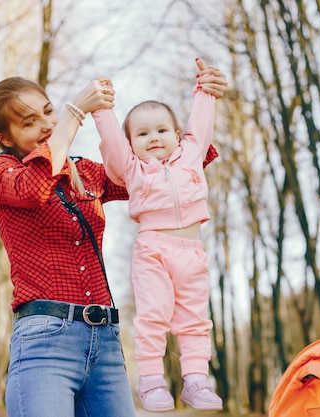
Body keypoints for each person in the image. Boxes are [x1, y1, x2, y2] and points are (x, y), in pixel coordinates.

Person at [0, 70, 225, 417]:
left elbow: (159, 178)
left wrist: (205, 100)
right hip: (45, 340)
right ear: (4, 137)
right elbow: (36, 187)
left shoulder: (88, 172)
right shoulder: (4, 172)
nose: (46, 125)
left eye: (49, 112)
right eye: (28, 122)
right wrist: (75, 111)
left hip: (105, 342)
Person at [91, 58, 227, 412]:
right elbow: (111, 140)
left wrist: (204, 89)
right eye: (142, 133)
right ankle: (151, 381)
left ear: (178, 135)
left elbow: (201, 122)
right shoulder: (131, 168)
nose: (153, 138)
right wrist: (103, 107)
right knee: (154, 316)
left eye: (162, 130)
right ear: (131, 143)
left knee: (195, 319)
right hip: (153, 250)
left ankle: (196, 380)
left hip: (191, 251)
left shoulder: (192, 153)